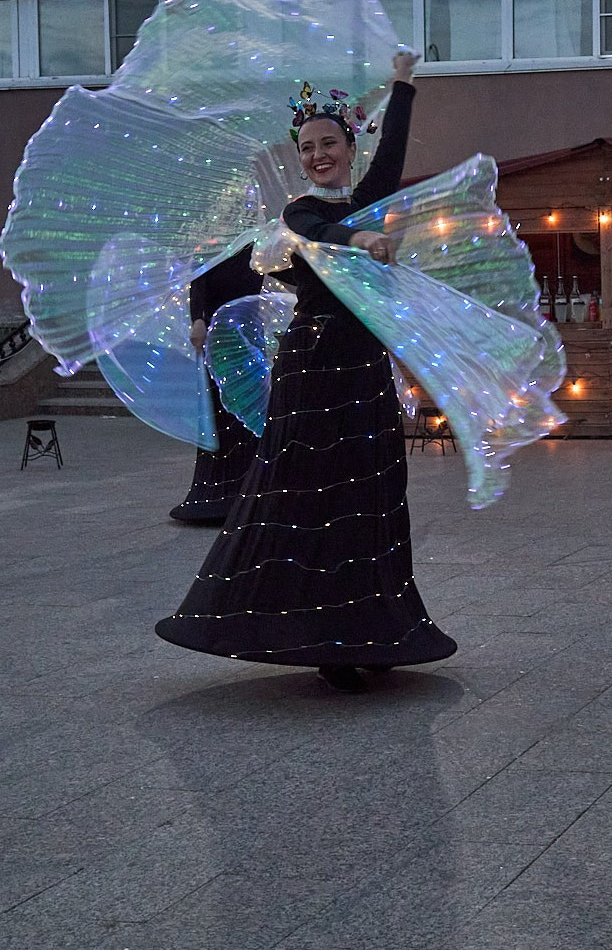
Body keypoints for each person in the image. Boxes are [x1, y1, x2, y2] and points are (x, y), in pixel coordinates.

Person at [155, 51, 457, 691]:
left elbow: (394, 154)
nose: (319, 154)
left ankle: (373, 629)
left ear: (350, 146)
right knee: (302, 499)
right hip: (312, 372)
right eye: (308, 146)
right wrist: (364, 242)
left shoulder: (371, 197)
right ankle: (302, 629)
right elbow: (320, 230)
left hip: (363, 369)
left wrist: (402, 85)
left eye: (329, 143)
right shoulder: (299, 210)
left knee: (368, 501)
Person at [167, 246, 265, 524]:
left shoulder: (257, 250)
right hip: (221, 339)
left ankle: (248, 493)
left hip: (248, 337)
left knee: (247, 412)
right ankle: (220, 495)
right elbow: (199, 286)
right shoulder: (211, 250)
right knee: (223, 412)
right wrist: (198, 320)